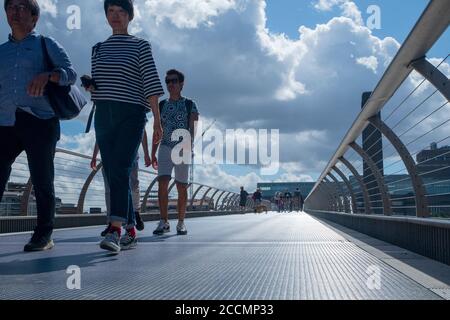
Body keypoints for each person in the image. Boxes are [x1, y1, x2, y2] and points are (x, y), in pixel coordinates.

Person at [83, 0, 164, 253]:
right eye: (110, 11)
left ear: (130, 16)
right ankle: (130, 229)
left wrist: (157, 121)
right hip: (104, 113)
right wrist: (91, 87)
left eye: (121, 12)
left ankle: (114, 230)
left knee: (120, 168)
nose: (115, 16)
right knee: (113, 172)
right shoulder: (97, 49)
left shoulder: (140, 45)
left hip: (132, 114)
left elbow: (150, 83)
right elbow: (100, 86)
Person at [0, 0, 77, 251]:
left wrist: (47, 75)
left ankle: (44, 235)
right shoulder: (1, 52)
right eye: (10, 7)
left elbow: (70, 73)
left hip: (40, 121)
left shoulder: (46, 44)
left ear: (34, 17)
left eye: (22, 7)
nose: (15, 11)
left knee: (43, 179)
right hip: (5, 122)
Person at [151, 69, 199, 236]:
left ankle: (181, 222)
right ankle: (163, 221)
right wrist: (152, 152)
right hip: (164, 146)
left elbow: (193, 129)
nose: (170, 84)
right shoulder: (161, 105)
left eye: (174, 81)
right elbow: (156, 129)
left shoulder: (190, 104)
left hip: (182, 148)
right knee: (162, 183)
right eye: (168, 81)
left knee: (181, 187)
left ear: (181, 84)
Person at [90, 128, 152, 236]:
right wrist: (95, 155)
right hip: (109, 155)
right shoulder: (105, 113)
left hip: (129, 151)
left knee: (133, 185)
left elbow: (142, 129)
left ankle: (135, 212)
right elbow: (101, 133)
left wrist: (146, 153)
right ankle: (111, 221)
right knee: (110, 189)